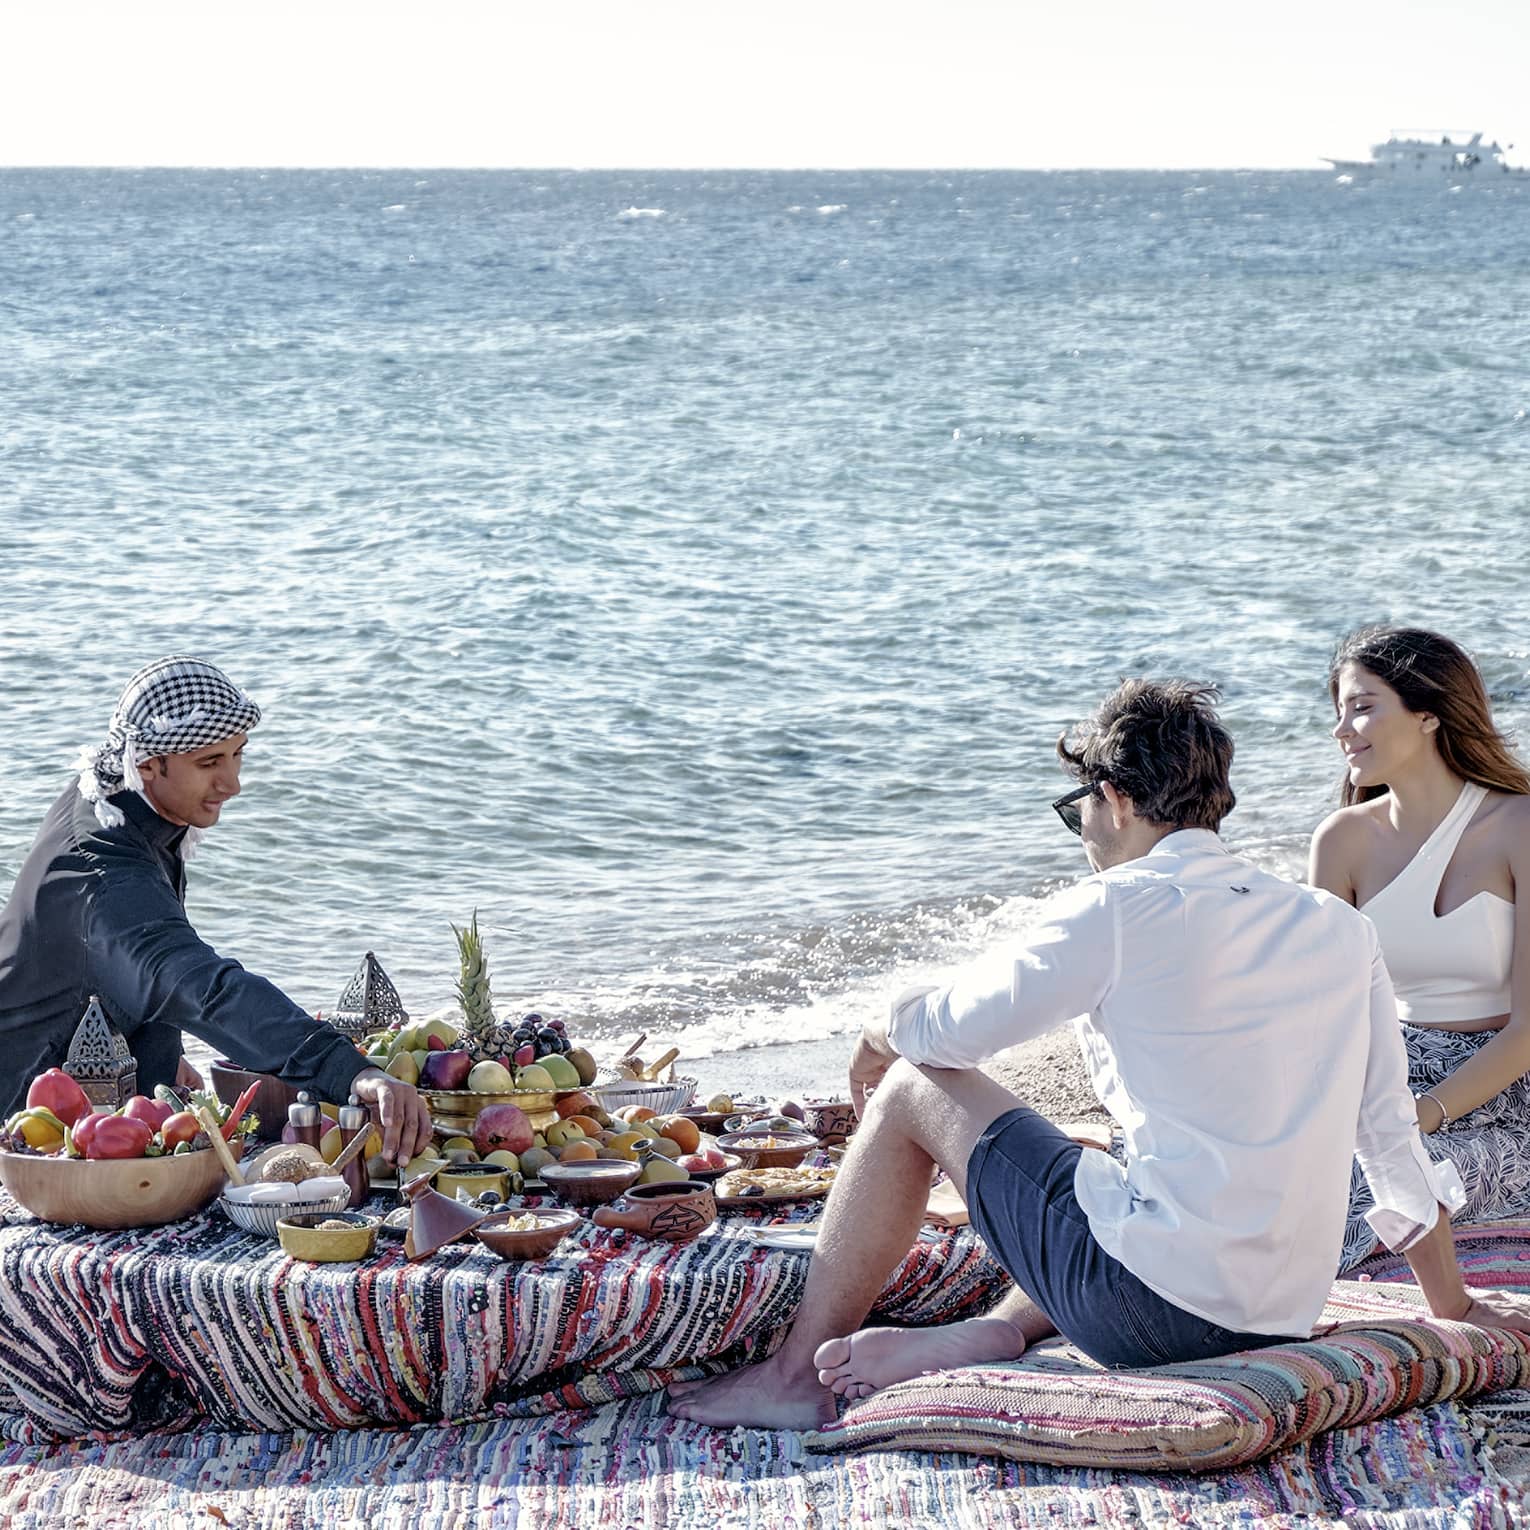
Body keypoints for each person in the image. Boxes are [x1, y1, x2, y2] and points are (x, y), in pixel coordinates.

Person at [669, 679, 1530, 1430]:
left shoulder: (1118, 906)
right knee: (1088, 1154)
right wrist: (1451, 1306)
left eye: (1074, 806)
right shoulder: (1337, 929)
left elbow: (947, 1038)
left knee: (909, 1088)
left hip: (1146, 1317)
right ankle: (1000, 1331)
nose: (1079, 826)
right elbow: (1386, 1137)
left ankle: (790, 1378)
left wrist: (875, 1032)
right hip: (1277, 1318)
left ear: (1114, 798)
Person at [0, 655, 434, 1164]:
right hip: (31, 1128)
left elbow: (132, 963)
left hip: (103, 1096)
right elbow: (204, 988)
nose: (232, 784)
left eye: (237, 755)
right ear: (147, 764)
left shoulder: (117, 798)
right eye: (210, 763)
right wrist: (350, 1071)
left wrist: (166, 1050)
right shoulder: (106, 874)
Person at [1309, 626, 1530, 1269]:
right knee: (1251, 1163)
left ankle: (1232, 1308)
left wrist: (1418, 1116)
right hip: (1391, 1071)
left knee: (1397, 1184)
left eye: (1362, 706)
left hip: (1503, 1091)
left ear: (1429, 714)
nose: (1341, 729)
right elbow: (1326, 1012)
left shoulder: (1517, 824)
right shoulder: (1342, 841)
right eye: (1339, 711)